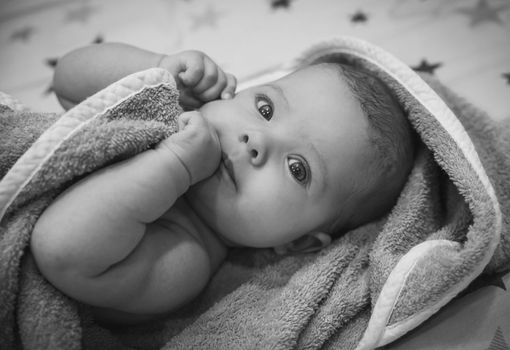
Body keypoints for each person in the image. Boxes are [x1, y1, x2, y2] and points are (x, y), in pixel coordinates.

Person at [30, 42, 415, 324]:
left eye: (298, 168)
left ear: (297, 242)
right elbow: (66, 79)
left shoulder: (186, 257)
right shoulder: (171, 113)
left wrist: (175, 165)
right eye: (265, 109)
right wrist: (156, 71)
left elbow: (60, 249)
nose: (257, 141)